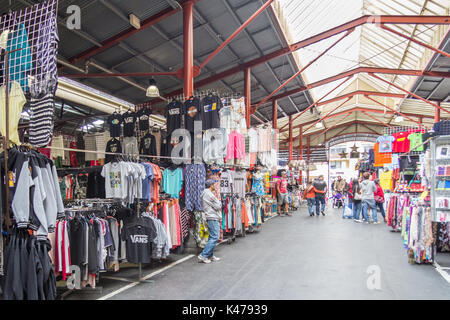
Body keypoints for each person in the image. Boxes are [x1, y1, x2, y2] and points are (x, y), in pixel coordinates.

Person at [198, 180, 222, 264]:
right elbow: (218, 206)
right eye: (213, 184)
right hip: (212, 217)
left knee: (212, 237)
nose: (215, 186)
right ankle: (203, 255)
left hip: (211, 216)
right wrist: (219, 203)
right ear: (211, 185)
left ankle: (210, 255)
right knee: (215, 237)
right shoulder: (208, 194)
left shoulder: (207, 193)